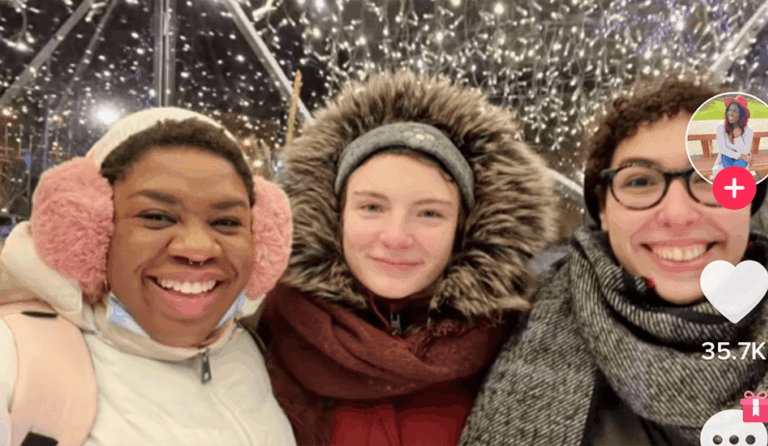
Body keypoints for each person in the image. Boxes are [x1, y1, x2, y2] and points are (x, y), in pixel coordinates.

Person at [460, 75, 768, 445]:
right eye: (640, 182)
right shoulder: (495, 325)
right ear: (603, 210)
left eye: (709, 178)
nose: (678, 214)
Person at [257, 70, 558, 446]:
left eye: (430, 213)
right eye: (371, 207)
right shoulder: (268, 327)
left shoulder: (520, 341)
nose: (397, 237)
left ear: (464, 228)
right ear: (335, 215)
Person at [0, 108, 297, 445]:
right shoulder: (15, 358)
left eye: (226, 222)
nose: (197, 249)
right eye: (157, 216)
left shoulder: (255, 350)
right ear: (89, 229)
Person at [716, 95, 754, 170]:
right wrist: (742, 157)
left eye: (735, 111)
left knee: (735, 171)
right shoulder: (721, 126)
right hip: (727, 155)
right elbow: (722, 149)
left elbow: (745, 151)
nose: (730, 113)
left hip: (743, 155)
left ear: (742, 115)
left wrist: (737, 138)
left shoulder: (748, 129)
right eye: (729, 110)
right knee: (730, 171)